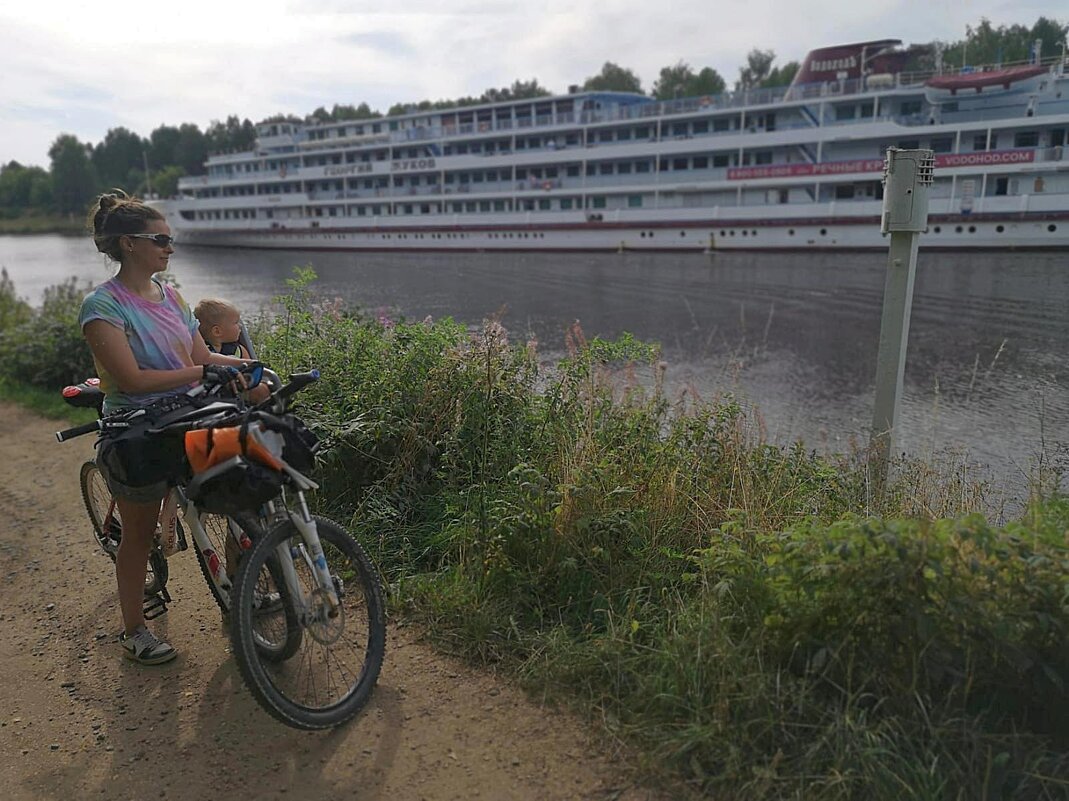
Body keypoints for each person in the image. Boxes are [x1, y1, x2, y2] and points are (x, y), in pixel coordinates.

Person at [79, 190, 250, 665]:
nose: (169, 248)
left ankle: (244, 590)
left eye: (170, 240)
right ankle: (134, 630)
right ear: (129, 244)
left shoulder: (172, 296)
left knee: (234, 498)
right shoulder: (102, 307)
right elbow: (132, 380)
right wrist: (203, 373)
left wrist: (250, 367)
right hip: (138, 428)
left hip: (190, 416)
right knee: (138, 533)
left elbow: (201, 357)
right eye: (161, 239)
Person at [194, 298, 270, 404]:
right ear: (217, 331)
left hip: (239, 389)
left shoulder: (239, 350)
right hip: (213, 395)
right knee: (261, 391)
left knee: (263, 389)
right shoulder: (200, 351)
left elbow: (251, 373)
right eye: (236, 323)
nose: (240, 326)